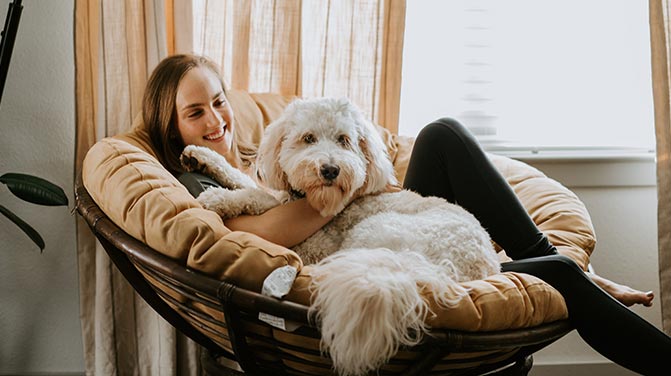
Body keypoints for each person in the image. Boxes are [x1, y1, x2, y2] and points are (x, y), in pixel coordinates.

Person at [143, 53, 669, 375]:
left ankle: (556, 262)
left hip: (390, 223)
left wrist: (362, 177)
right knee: (559, 279)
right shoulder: (198, 176)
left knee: (441, 136)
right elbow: (266, 230)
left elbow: (359, 176)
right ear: (173, 129)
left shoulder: (264, 149)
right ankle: (572, 274)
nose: (216, 119)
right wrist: (342, 186)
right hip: (368, 247)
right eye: (196, 112)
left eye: (217, 101)